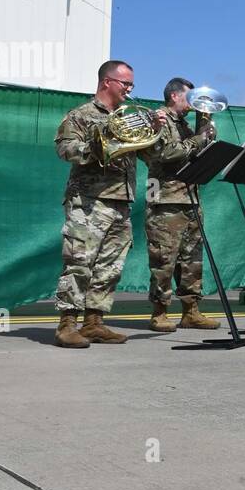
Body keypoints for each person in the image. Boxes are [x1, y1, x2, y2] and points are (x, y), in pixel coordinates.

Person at [53, 60, 167, 347]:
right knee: (79, 262)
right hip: (89, 200)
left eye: (131, 85)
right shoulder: (81, 114)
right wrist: (99, 144)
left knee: (110, 266)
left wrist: (156, 130)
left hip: (121, 201)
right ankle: (67, 324)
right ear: (107, 82)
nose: (129, 89)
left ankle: (94, 322)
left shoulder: (130, 115)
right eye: (125, 83)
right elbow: (65, 149)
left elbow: (153, 157)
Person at [144, 77, 220, 331]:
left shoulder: (186, 125)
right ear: (175, 96)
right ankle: (159, 312)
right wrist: (198, 139)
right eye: (190, 97)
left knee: (192, 260)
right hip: (165, 200)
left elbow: (199, 153)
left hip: (190, 198)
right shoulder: (159, 120)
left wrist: (205, 126)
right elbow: (165, 153)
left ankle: (191, 310)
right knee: (164, 259)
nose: (194, 102)